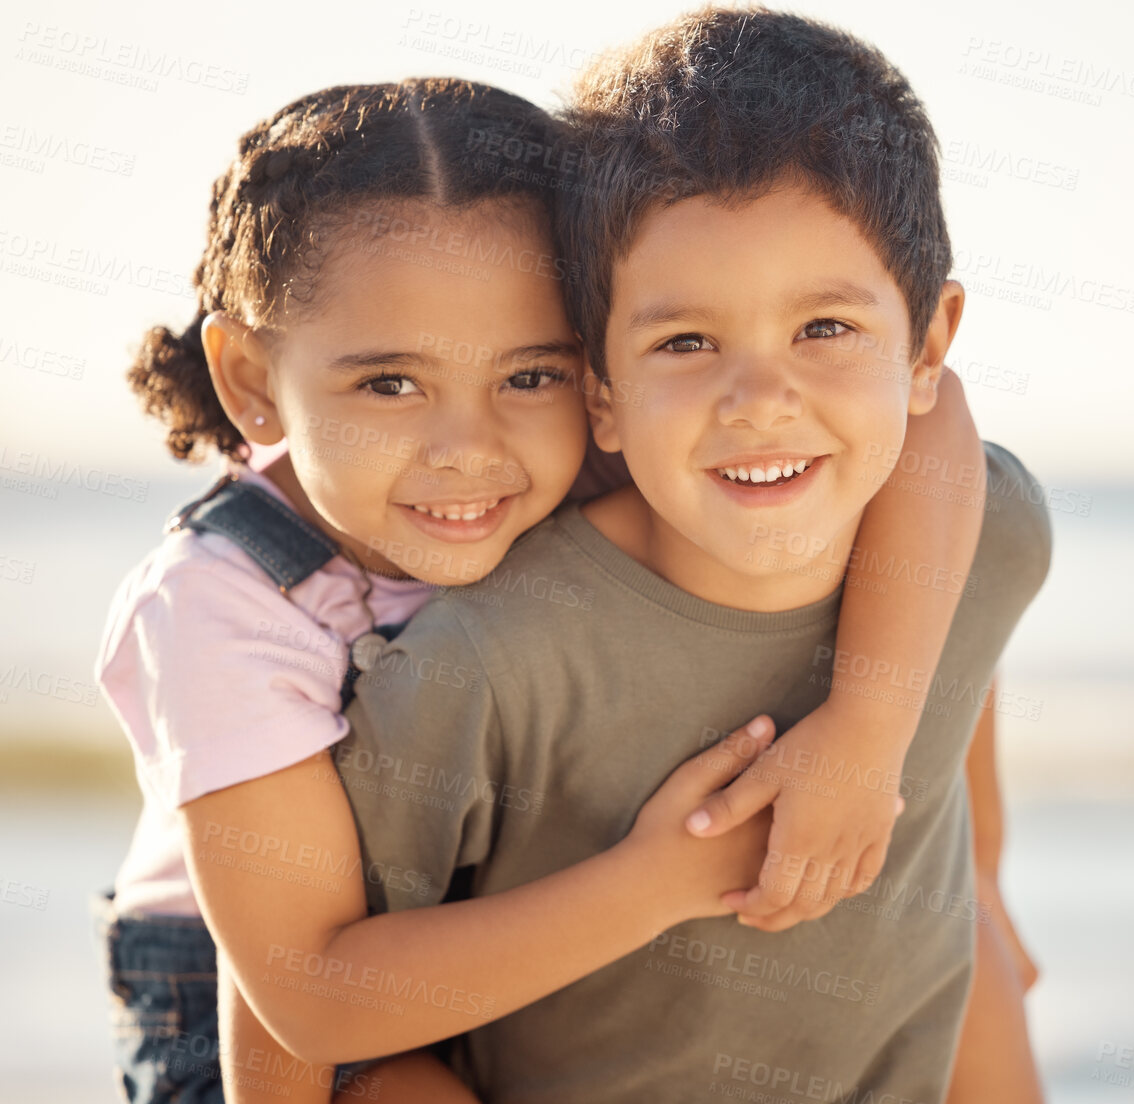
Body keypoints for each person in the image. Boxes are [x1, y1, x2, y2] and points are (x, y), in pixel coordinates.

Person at [94, 73, 992, 1103]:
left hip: (493, 930)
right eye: (390, 384)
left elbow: (931, 419)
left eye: (530, 374)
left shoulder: (590, 442)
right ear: (253, 382)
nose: (470, 451)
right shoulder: (218, 609)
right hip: (269, 1003)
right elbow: (308, 999)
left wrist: (866, 730)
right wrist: (666, 878)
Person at [336, 8, 1053, 1101]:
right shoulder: (484, 665)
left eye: (824, 329)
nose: (760, 401)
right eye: (686, 342)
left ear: (928, 345)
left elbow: (967, 650)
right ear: (601, 391)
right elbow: (349, 1030)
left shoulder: (987, 528)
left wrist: (980, 884)